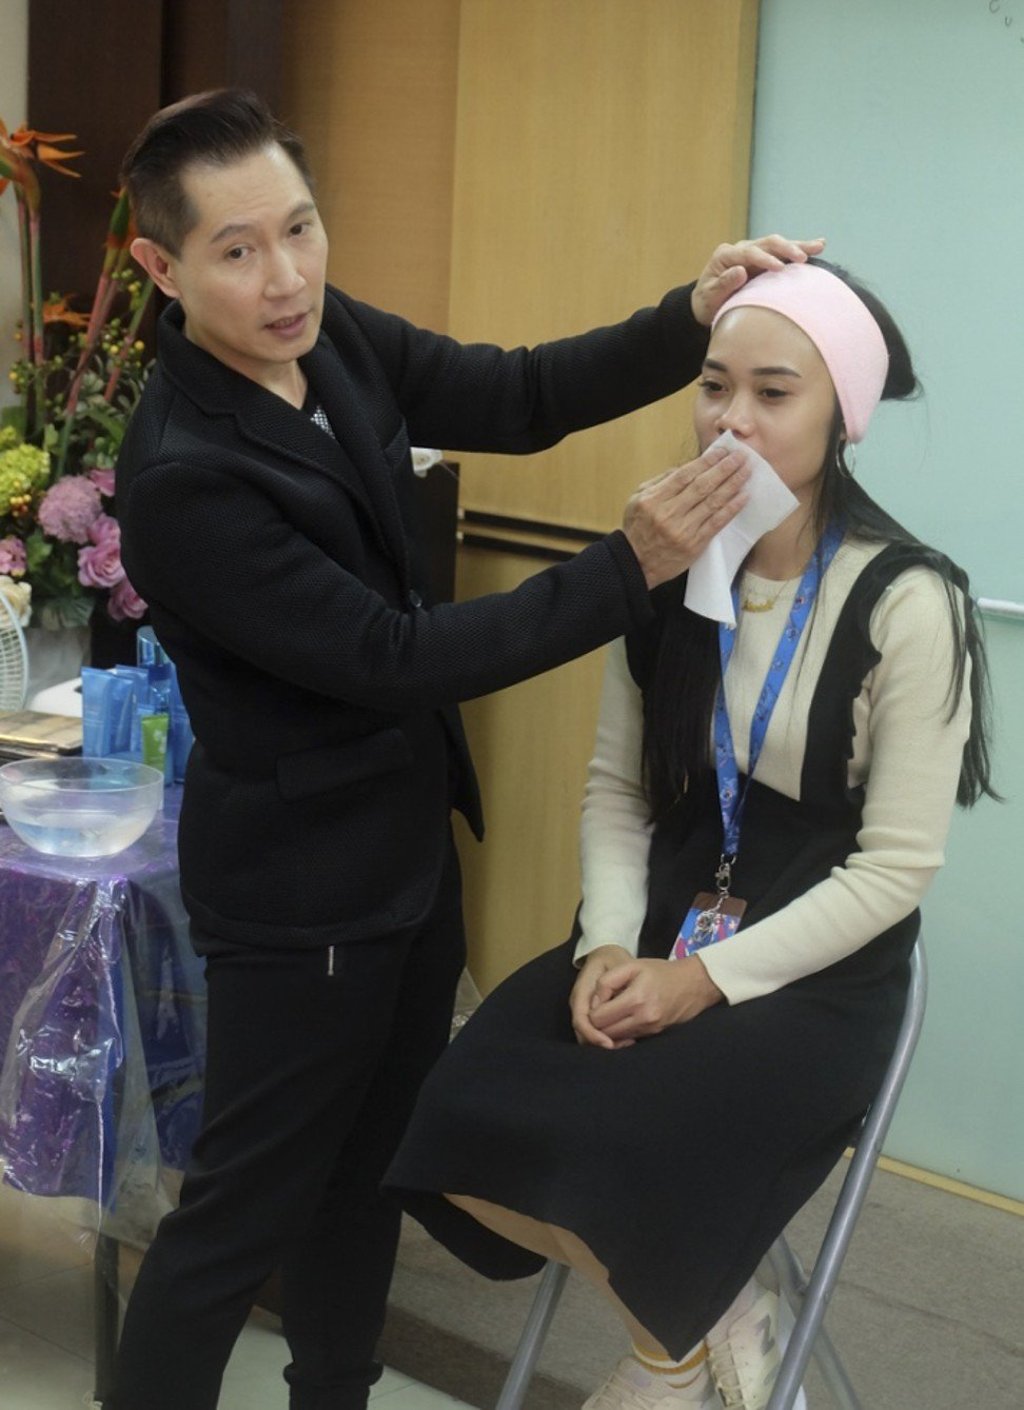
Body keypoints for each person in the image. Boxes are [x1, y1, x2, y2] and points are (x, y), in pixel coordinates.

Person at [109, 85, 822, 1410]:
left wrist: (688, 314)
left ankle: (334, 1390)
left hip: (400, 852)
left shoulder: (328, 340)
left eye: (302, 230)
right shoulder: (187, 475)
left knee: (367, 1170)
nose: (287, 276)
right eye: (238, 249)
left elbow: (523, 390)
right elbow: (392, 655)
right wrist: (629, 567)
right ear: (161, 264)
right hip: (296, 893)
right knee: (240, 1215)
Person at [386, 257, 997, 1410]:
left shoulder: (910, 601)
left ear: (841, 414)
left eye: (774, 393)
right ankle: (706, 1336)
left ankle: (667, 1369)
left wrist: (703, 981)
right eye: (714, 386)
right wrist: (610, 947)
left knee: (632, 1148)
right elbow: (618, 790)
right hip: (663, 911)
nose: (731, 420)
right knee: (455, 1110)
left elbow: (898, 869)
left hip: (815, 961)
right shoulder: (663, 569)